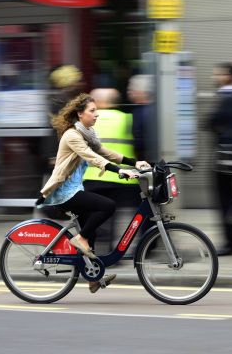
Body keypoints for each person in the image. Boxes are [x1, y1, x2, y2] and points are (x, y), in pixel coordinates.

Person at [35, 93, 148, 293]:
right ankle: (80, 239)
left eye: (96, 110)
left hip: (76, 188)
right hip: (64, 191)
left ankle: (92, 275)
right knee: (107, 206)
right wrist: (118, 170)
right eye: (92, 111)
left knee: (92, 228)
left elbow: (105, 152)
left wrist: (134, 162)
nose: (97, 115)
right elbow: (93, 158)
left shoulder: (87, 133)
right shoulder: (72, 135)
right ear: (80, 114)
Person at [82, 88, 140, 253]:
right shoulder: (127, 118)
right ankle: (115, 251)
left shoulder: (88, 120)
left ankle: (95, 251)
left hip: (93, 177)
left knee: (96, 216)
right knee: (117, 215)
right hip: (121, 178)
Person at [207, 63, 232, 256]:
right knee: (230, 198)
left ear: (229, 76)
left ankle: (231, 242)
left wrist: (213, 123)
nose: (216, 77)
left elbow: (212, 120)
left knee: (226, 199)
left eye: (220, 74)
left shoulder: (230, 97)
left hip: (226, 154)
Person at [127, 74, 157, 161]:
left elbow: (139, 142)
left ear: (142, 92)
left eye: (131, 90)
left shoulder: (141, 113)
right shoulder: (155, 110)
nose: (129, 92)